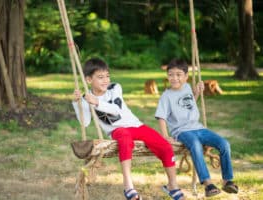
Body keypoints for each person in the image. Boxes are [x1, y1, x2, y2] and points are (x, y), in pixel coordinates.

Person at [72, 58, 185, 200]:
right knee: (125, 139)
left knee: (164, 145)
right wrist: (77, 103)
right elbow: (85, 122)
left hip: (136, 125)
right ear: (88, 80)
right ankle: (128, 185)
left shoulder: (114, 88)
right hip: (117, 130)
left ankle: (172, 185)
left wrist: (96, 102)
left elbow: (116, 110)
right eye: (100, 77)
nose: (105, 80)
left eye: (107, 76)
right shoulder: (86, 98)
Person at [155, 58, 239, 197]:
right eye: (170, 74)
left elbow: (190, 103)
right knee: (195, 145)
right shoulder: (166, 96)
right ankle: (208, 184)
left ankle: (227, 181)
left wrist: (197, 93)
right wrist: (165, 136)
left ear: (186, 77)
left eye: (178, 74)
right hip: (182, 131)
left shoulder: (187, 87)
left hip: (199, 128)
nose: (174, 78)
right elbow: (161, 117)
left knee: (224, 144)